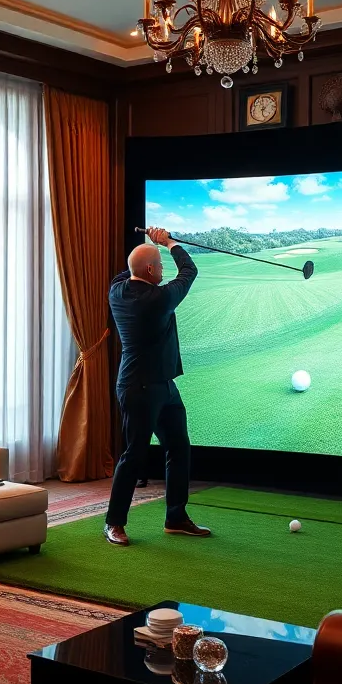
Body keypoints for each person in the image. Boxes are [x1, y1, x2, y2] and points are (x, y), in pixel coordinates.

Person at [104, 226, 211, 546]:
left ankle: (176, 517)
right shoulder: (158, 299)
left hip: (163, 385)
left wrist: (150, 246)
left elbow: (131, 268)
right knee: (134, 455)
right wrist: (167, 242)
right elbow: (189, 270)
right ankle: (114, 523)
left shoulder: (117, 289)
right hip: (140, 388)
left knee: (179, 447)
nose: (164, 271)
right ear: (150, 271)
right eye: (159, 266)